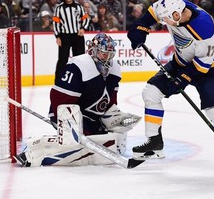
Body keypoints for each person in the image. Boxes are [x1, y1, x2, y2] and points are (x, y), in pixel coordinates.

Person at [127, 0, 214, 176]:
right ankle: (154, 143)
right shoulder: (170, 6)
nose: (164, 23)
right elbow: (150, 15)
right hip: (180, 61)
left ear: (177, 14)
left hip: (208, 69)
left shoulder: (205, 27)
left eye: (167, 20)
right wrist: (140, 28)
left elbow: (202, 65)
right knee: (151, 93)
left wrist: (182, 80)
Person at [15, 33, 140, 167]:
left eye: (110, 54)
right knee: (77, 143)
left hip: (92, 118)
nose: (108, 58)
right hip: (67, 114)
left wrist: (111, 120)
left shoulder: (114, 69)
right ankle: (35, 149)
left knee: (113, 140)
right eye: (104, 54)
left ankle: (78, 145)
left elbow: (110, 101)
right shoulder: (79, 65)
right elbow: (59, 97)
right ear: (93, 51)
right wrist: (69, 124)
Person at [52, 0, 90, 83]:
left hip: (78, 36)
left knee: (80, 59)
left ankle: (81, 80)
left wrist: (83, 28)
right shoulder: (59, 8)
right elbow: (56, 23)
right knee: (62, 60)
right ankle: (58, 82)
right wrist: (57, 36)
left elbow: (86, 18)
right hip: (65, 36)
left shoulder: (79, 7)